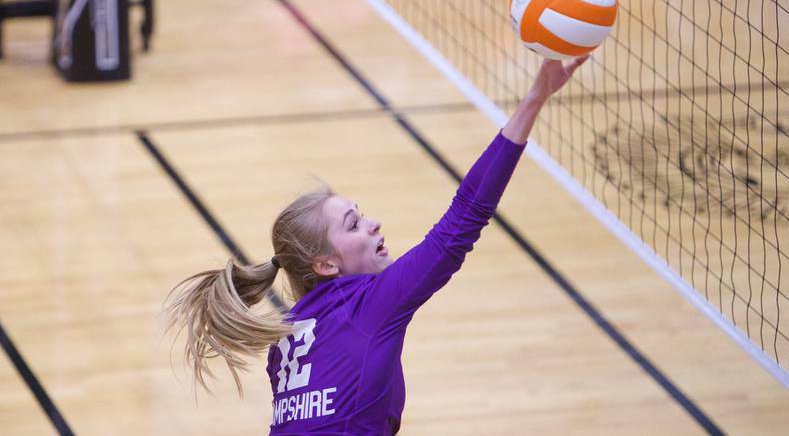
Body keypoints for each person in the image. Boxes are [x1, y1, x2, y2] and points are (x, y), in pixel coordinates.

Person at [164, 56, 589, 434]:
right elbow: (464, 218)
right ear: (326, 264)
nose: (373, 224)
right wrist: (534, 98)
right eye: (354, 224)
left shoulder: (287, 337)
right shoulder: (371, 305)